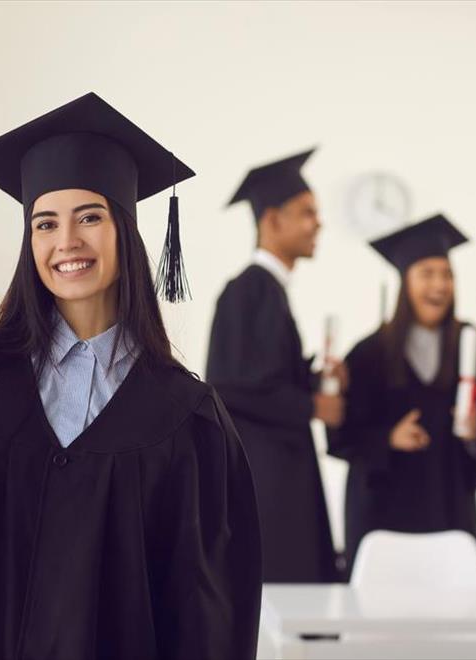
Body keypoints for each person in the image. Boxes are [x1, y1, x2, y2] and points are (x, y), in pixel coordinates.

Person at [0, 92, 262, 659]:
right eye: (45, 223)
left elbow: (213, 607)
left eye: (90, 216)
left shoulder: (187, 415)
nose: (66, 242)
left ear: (125, 232)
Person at [329, 214, 476, 572]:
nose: (439, 285)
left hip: (449, 504)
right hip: (381, 512)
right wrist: (388, 438)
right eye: (427, 274)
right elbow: (341, 437)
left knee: (453, 609)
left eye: (447, 274)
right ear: (405, 283)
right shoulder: (369, 354)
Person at [206, 148, 342, 583]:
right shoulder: (248, 291)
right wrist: (312, 407)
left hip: (281, 471)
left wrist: (315, 378)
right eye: (307, 213)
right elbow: (230, 387)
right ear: (272, 221)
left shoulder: (269, 290)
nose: (318, 224)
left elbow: (262, 374)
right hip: (268, 480)